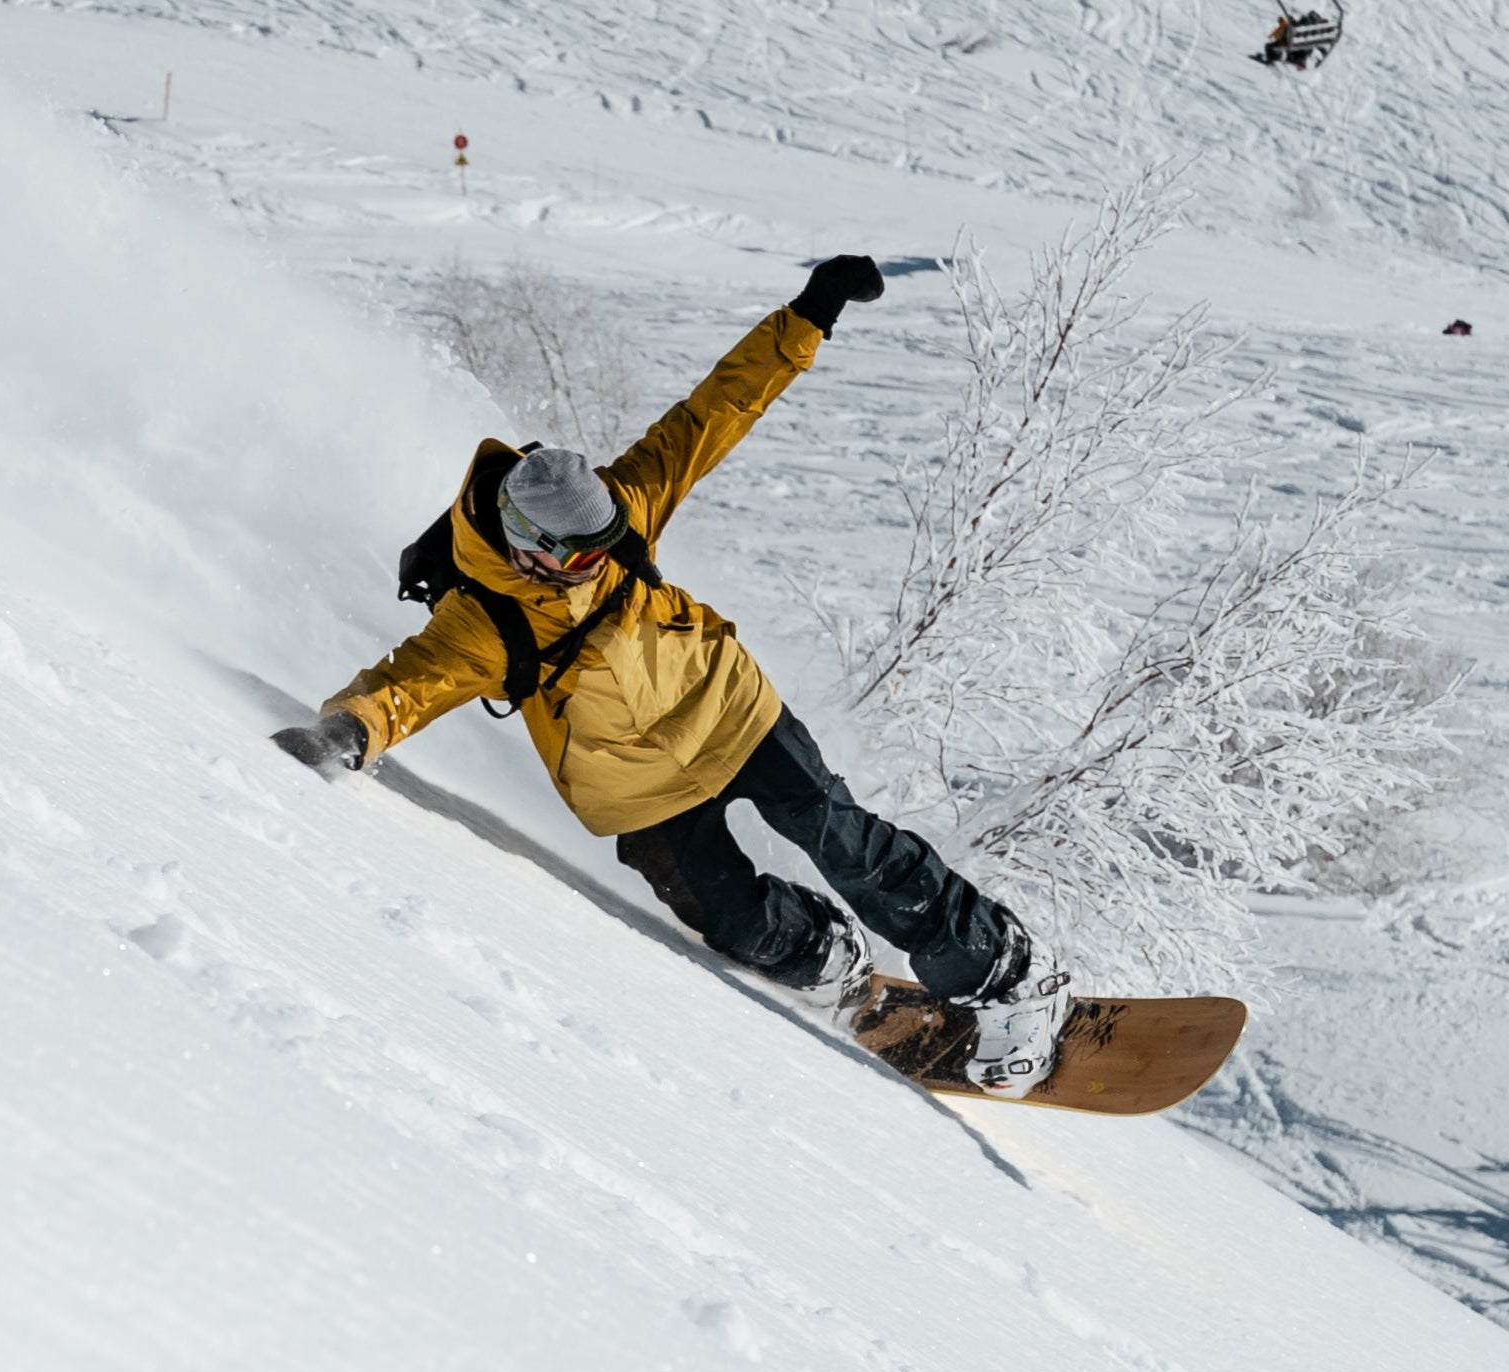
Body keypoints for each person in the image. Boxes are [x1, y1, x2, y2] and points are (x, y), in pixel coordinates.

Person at [273, 258, 1072, 1097]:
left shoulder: (621, 512)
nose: (598, 560)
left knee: (842, 838)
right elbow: (408, 684)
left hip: (728, 710)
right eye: (578, 553)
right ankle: (820, 954)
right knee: (726, 917)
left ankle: (1010, 975)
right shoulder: (482, 619)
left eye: (605, 539)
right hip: (635, 788)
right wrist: (346, 731)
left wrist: (809, 312)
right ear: (527, 545)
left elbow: (715, 411)